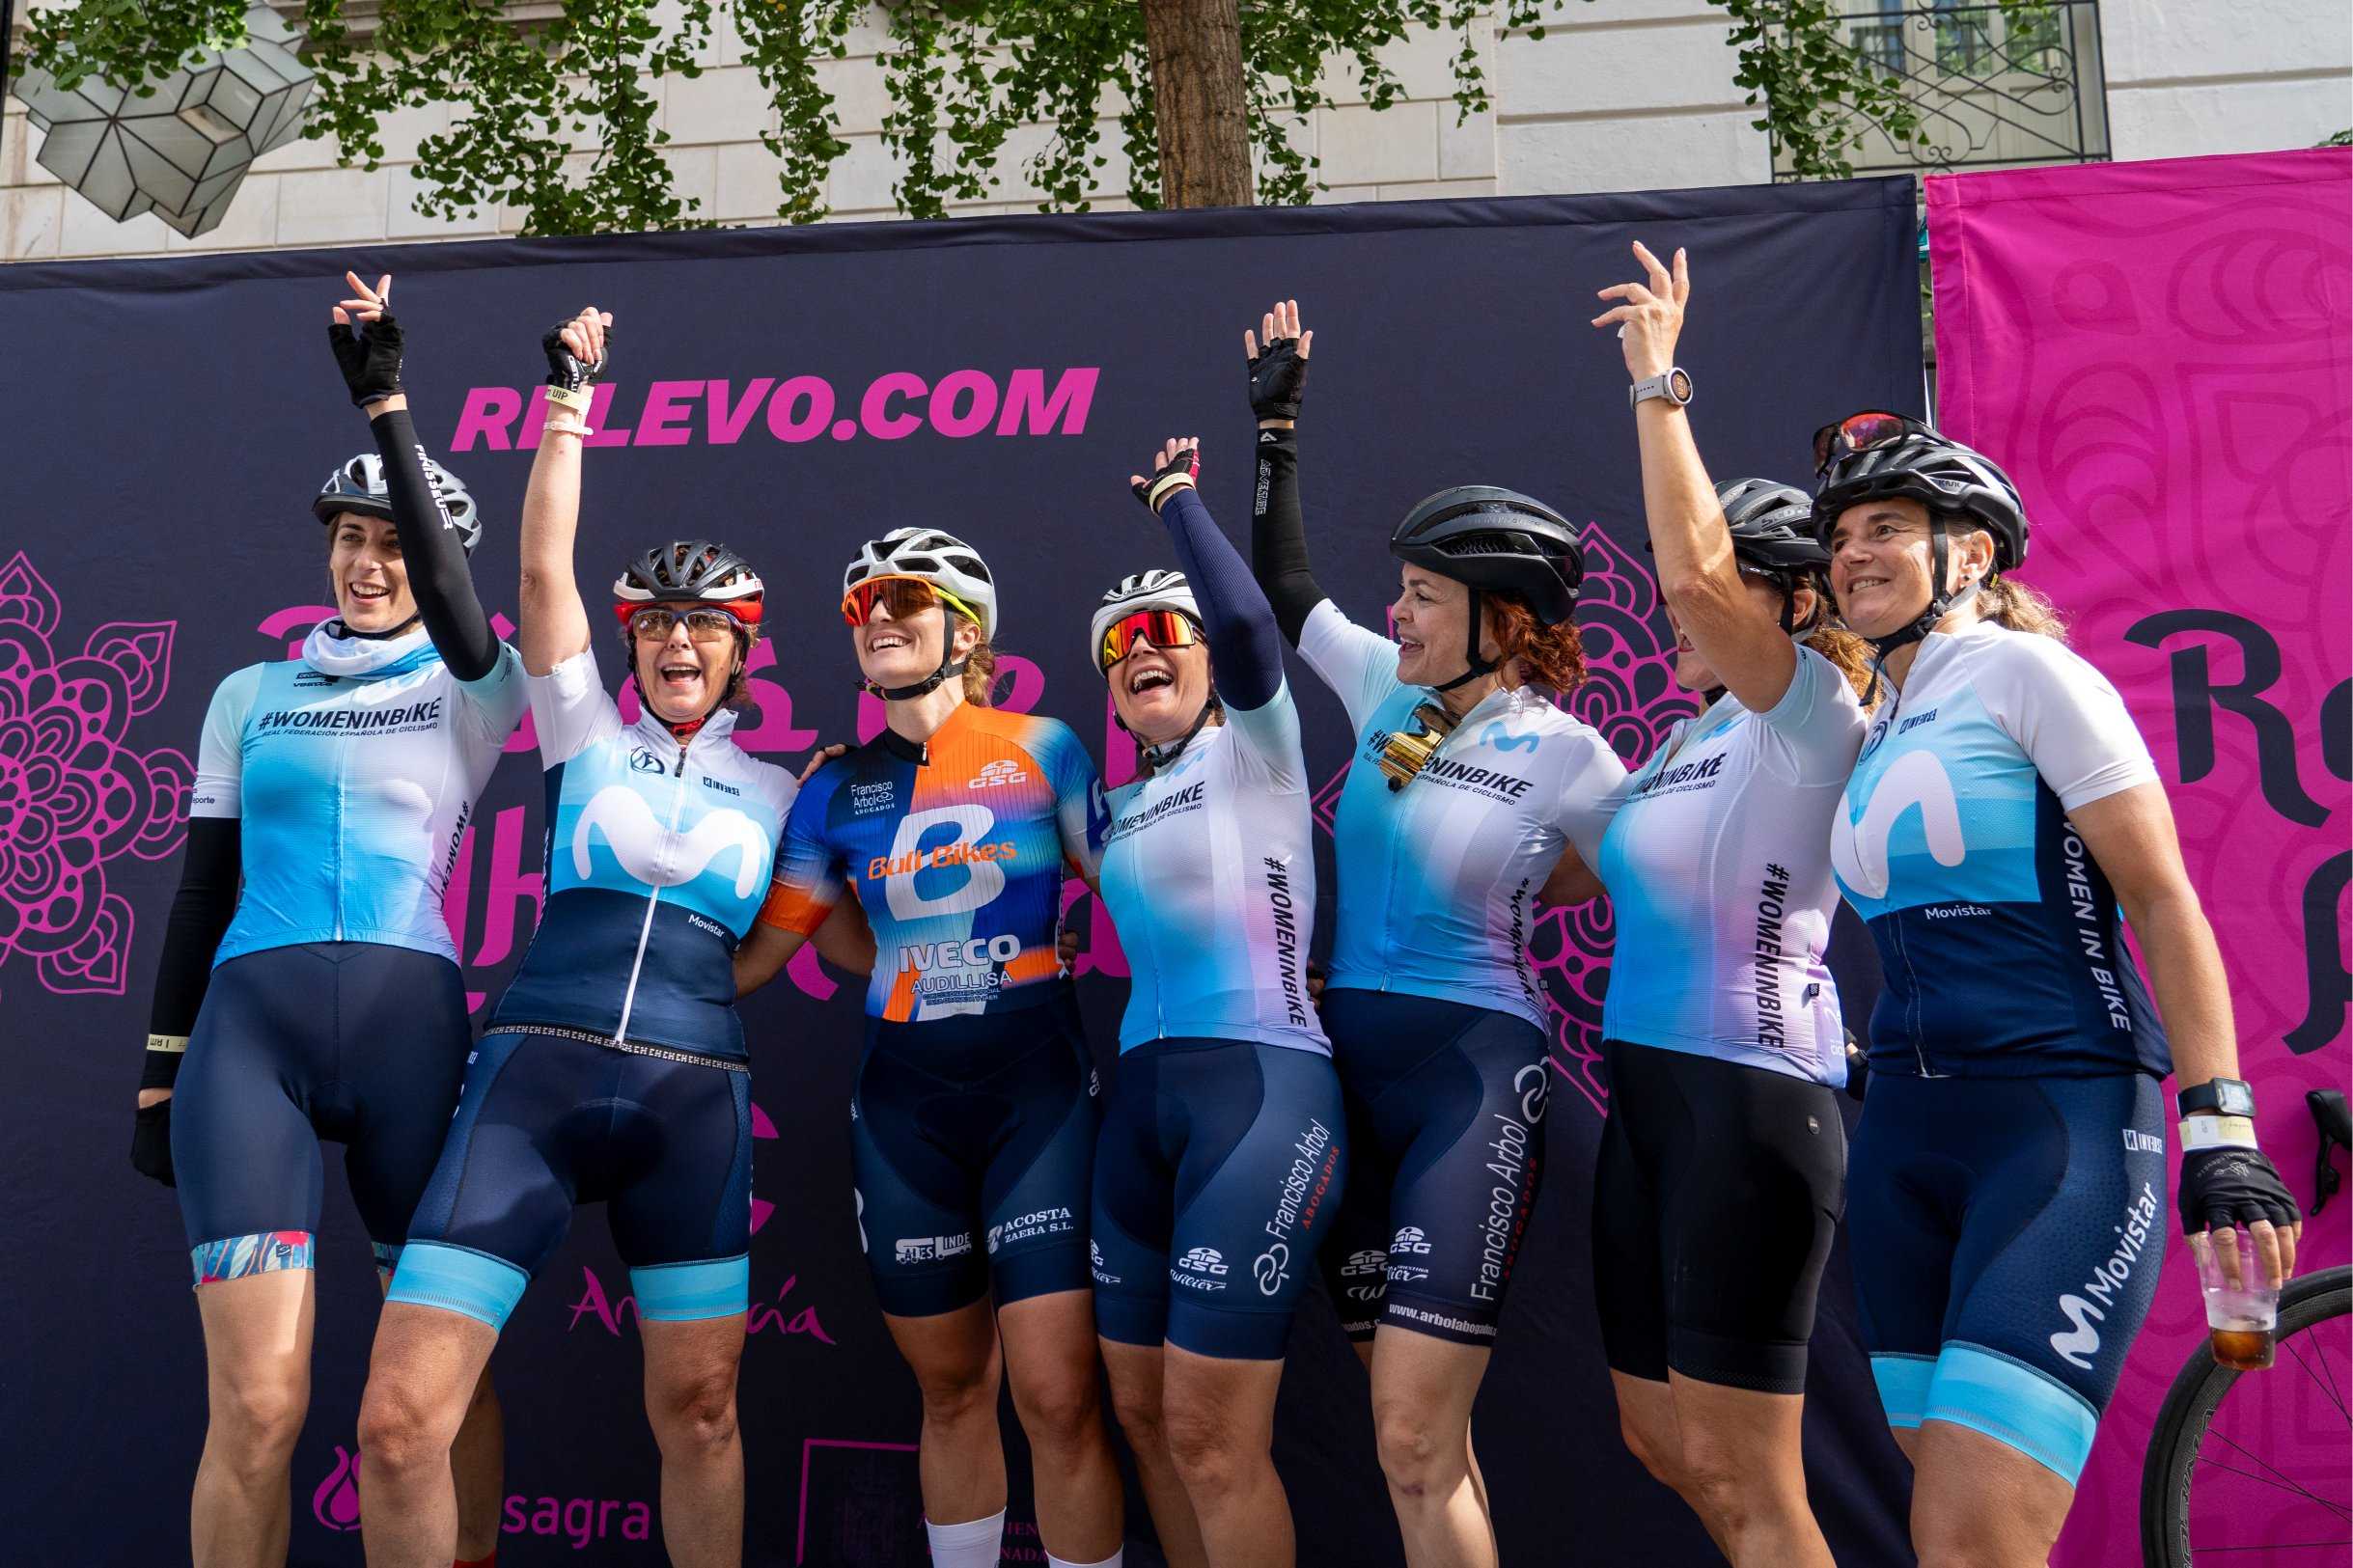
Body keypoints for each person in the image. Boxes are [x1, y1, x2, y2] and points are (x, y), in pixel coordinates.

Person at [353, 305, 869, 1568]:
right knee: (399, 1419)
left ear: (743, 653)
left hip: (692, 1104)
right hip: (534, 1073)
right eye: (655, 624)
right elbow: (538, 579)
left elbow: (805, 942)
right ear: (629, 642)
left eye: (705, 627)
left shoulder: (784, 787)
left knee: (700, 1416)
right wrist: (569, 402)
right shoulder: (585, 731)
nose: (678, 640)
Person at [1810, 405, 2304, 1566]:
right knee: (1947, 1533)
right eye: (1838, 535)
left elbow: (2160, 895)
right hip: (1908, 1143)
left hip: (2058, 1128)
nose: (1850, 554)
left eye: (1886, 525)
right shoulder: (1877, 724)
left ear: (1968, 552)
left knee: (1974, 1537)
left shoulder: (2027, 671)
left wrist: (2217, 1122)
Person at [128, 273, 513, 1568]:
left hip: (411, 1040)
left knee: (432, 1403)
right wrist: (155, 1073)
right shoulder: (250, 690)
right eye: (349, 538)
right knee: (259, 1406)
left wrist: (387, 403)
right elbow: (200, 887)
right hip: (249, 1041)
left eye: (393, 540)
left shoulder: (479, 683)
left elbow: (463, 608)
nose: (368, 560)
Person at [1244, 301, 1625, 1568]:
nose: (1394, 615)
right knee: (1414, 1444)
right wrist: (1277, 429)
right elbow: (1285, 592)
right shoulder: (1390, 701)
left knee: (1413, 1434)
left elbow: (1644, 881)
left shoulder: (1568, 751)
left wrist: (1526, 886)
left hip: (1469, 1081)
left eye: (1419, 597)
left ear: (1499, 615)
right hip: (1347, 1077)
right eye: (1398, 596)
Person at [733, 526, 1123, 1568]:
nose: (881, 620)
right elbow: (773, 950)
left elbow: (1139, 886)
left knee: (1056, 1396)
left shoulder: (1043, 746)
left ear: (966, 630)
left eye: (907, 601)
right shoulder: (830, 788)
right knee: (952, 1391)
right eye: (864, 606)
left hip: (1034, 1098)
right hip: (904, 1110)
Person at [1583, 242, 1877, 1566]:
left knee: (1752, 1480)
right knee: (1659, 1440)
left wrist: (1658, 381)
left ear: (1789, 600)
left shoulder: (1811, 711)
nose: (1674, 601)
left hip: (1750, 1100)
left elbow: (1693, 573)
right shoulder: (1683, 737)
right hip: (1646, 1098)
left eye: (1711, 583)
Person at [1085, 439, 1346, 1568]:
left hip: (1258, 1088)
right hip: (1137, 1102)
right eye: (1117, 647)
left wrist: (1176, 503)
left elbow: (1247, 631)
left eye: (1160, 633)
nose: (1139, 652)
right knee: (1144, 1418)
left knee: (1209, 1435)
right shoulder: (1103, 805)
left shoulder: (1257, 748)